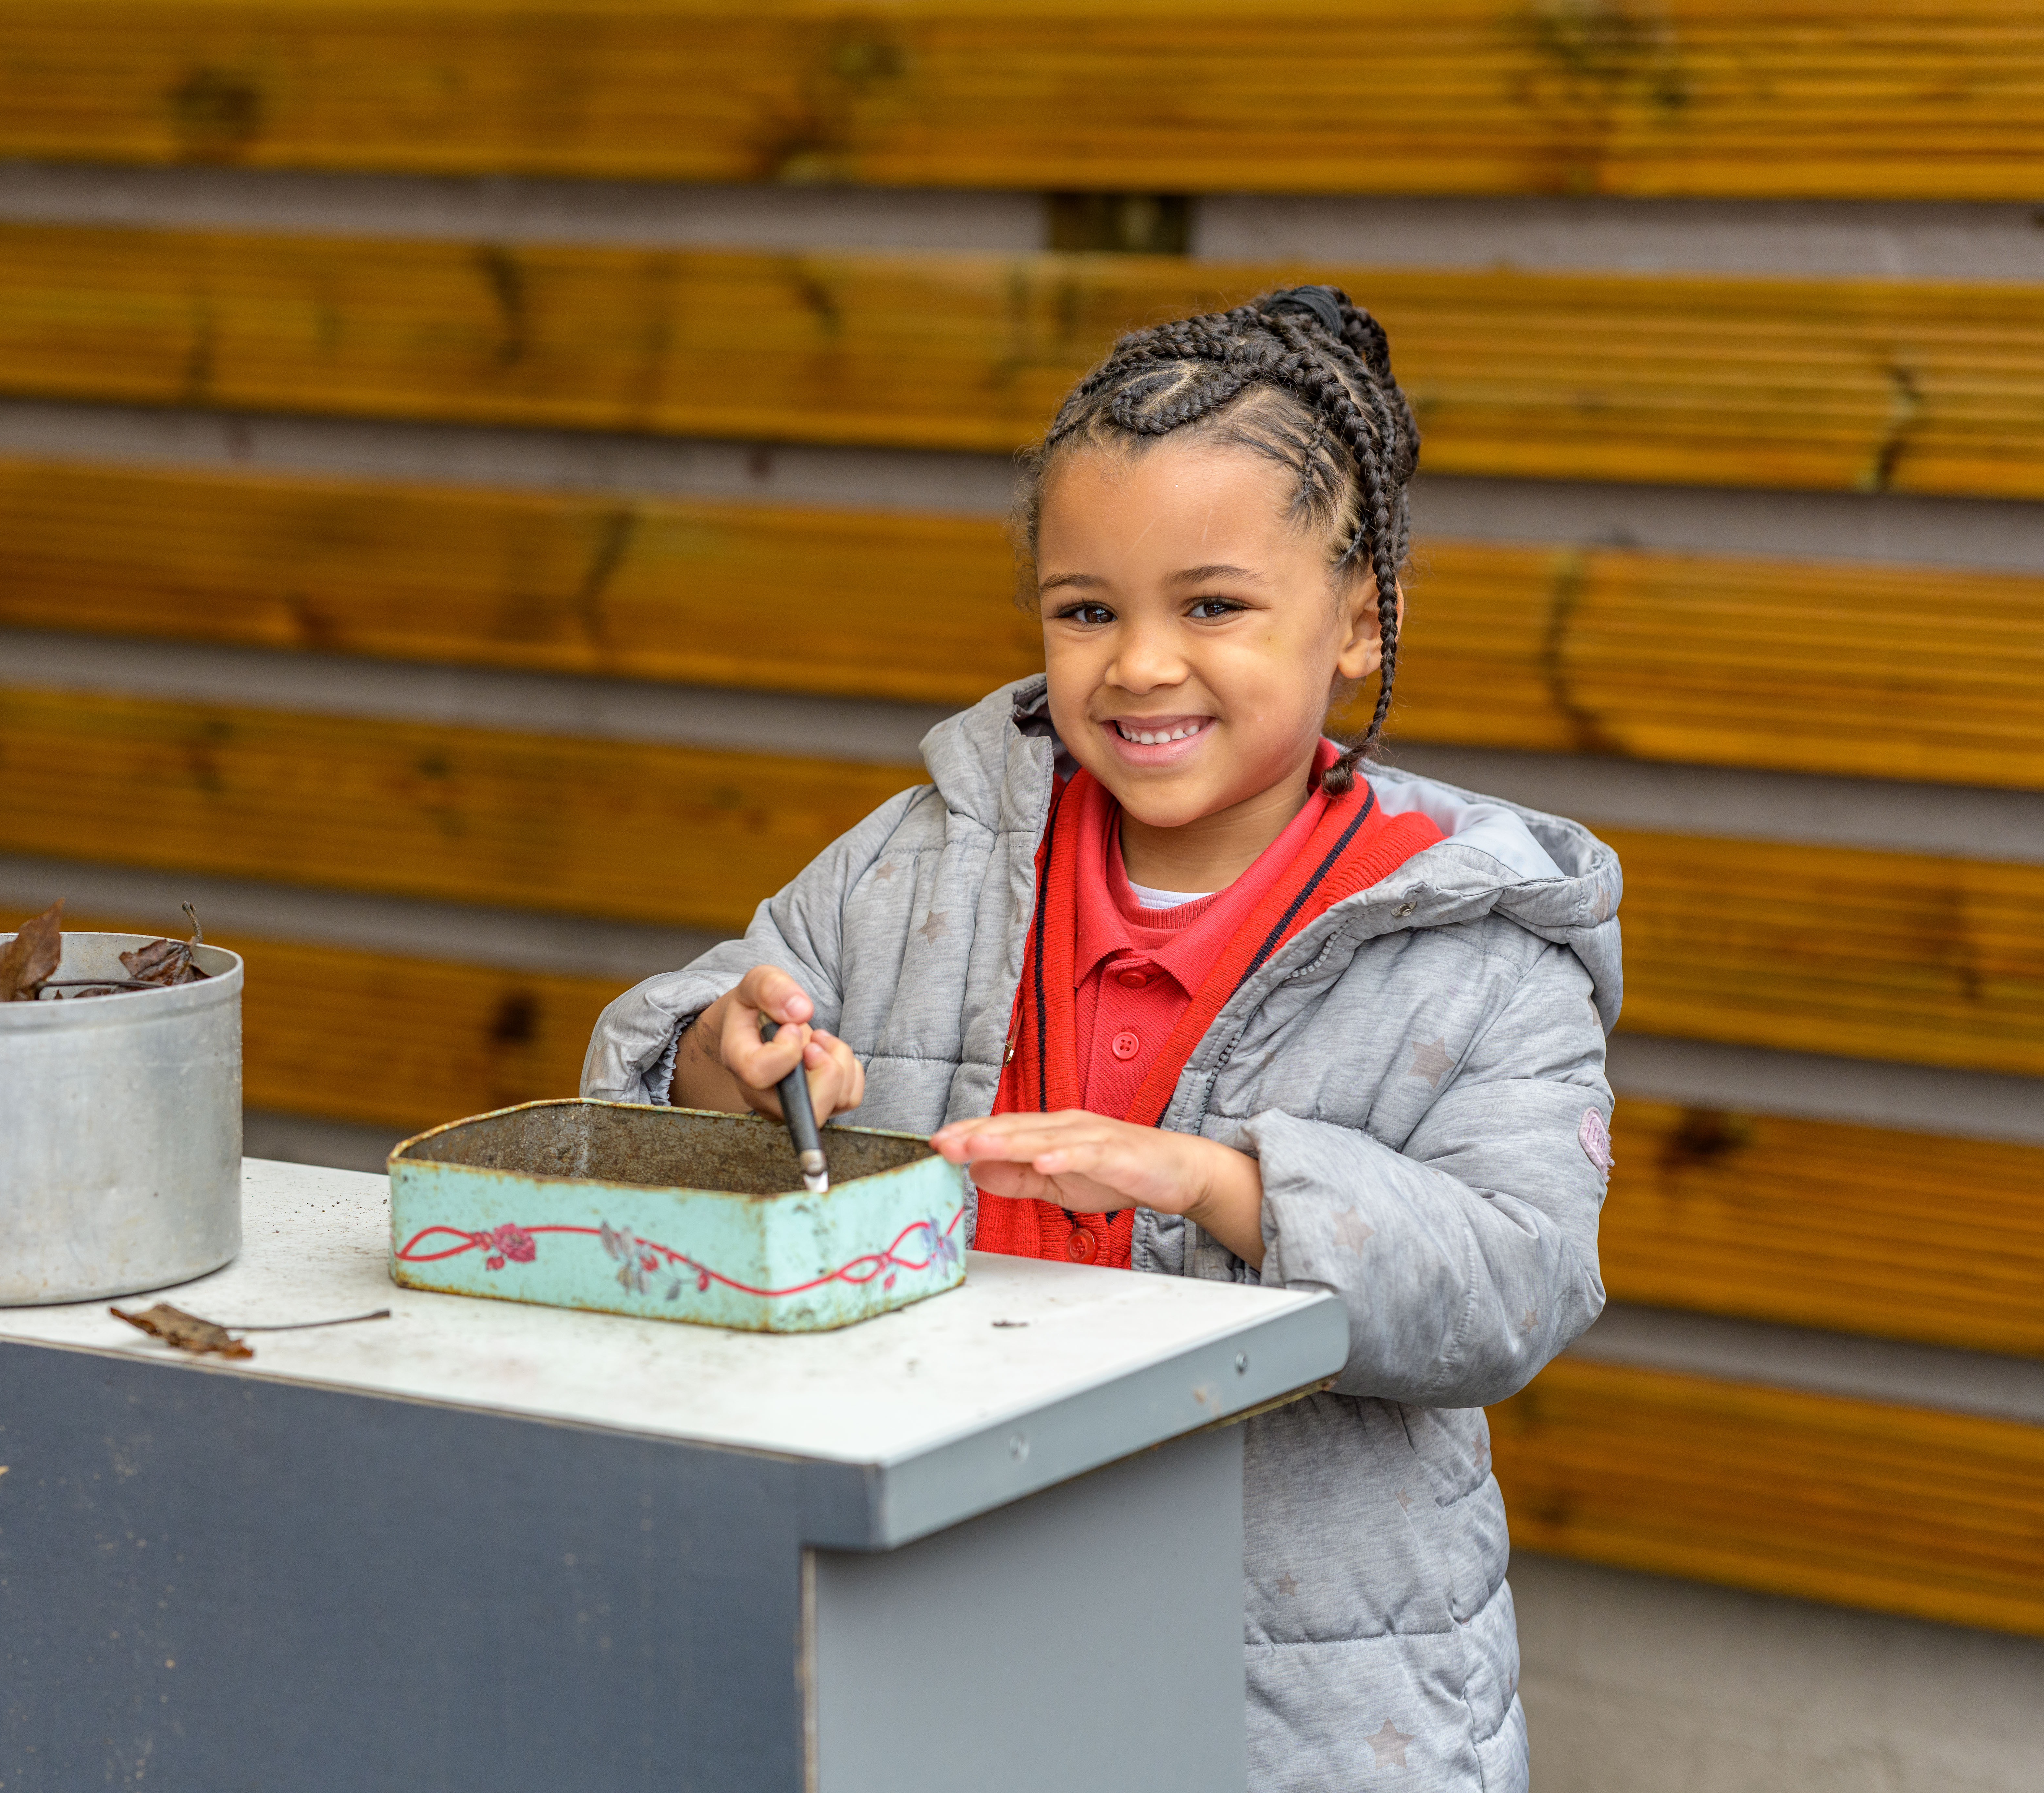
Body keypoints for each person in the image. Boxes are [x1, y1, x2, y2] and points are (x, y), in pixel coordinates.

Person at [581, 286, 1619, 1791]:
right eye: (1087, 610)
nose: (1138, 663)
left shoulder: (1473, 936)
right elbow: (681, 1047)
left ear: (1360, 620)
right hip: (931, 1606)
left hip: (1288, 1696)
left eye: (1212, 606)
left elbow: (1520, 1279)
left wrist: (1215, 1181)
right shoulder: (919, 861)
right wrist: (724, 1059)